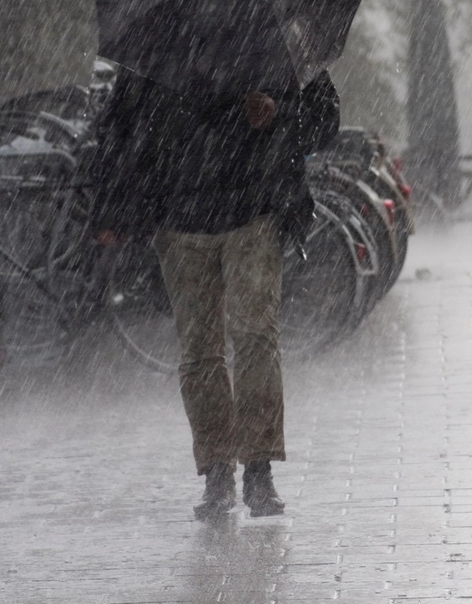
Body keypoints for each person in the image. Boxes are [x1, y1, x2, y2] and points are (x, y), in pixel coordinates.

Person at [90, 67, 339, 520]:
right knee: (200, 350)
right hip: (179, 218)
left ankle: (258, 470)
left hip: (255, 211)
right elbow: (119, 128)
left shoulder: (274, 37)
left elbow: (324, 122)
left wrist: (278, 113)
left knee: (254, 338)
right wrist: (111, 209)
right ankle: (218, 471)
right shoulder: (158, 44)